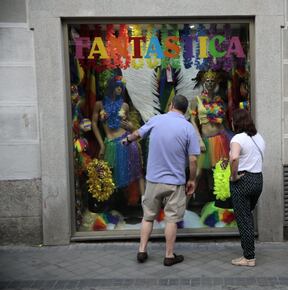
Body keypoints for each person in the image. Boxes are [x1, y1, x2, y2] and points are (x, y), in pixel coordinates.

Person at [123, 94, 200, 266]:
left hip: (153, 180)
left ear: (170, 105)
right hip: (175, 182)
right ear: (185, 110)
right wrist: (192, 180)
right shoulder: (188, 128)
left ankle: (142, 250)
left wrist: (127, 140)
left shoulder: (156, 120)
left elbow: (137, 133)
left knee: (148, 217)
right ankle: (169, 255)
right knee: (171, 219)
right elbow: (193, 160)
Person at [91, 75, 144, 206]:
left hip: (126, 141)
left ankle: (145, 206)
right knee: (108, 175)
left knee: (136, 172)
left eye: (122, 88)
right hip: (110, 144)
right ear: (111, 87)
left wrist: (131, 127)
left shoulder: (124, 105)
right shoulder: (99, 104)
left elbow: (130, 125)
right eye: (117, 87)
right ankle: (109, 206)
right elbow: (93, 123)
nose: (120, 90)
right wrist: (102, 145)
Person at [229, 109, 265, 267]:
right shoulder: (258, 137)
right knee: (247, 217)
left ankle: (249, 257)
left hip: (243, 180)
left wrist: (234, 176)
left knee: (244, 220)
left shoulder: (237, 138)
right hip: (258, 180)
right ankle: (248, 253)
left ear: (236, 122)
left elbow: (235, 157)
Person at [190, 70, 232, 176]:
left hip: (221, 140)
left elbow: (225, 121)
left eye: (212, 81)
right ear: (203, 82)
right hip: (205, 140)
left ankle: (222, 193)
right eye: (207, 81)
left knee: (222, 173)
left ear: (216, 83)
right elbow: (192, 121)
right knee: (198, 173)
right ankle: (192, 191)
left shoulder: (219, 101)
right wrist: (199, 140)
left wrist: (231, 136)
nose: (210, 83)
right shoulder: (196, 100)